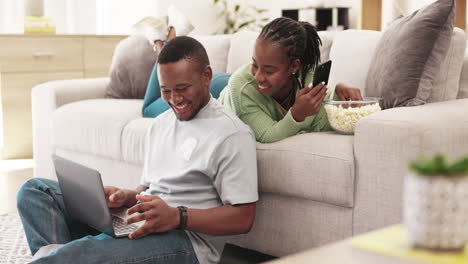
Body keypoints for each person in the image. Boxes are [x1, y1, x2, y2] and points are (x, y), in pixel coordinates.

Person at [17, 36, 258, 264]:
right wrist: (128, 196)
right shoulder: (161, 124)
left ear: (206, 76)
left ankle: (68, 255)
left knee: (78, 254)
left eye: (183, 88)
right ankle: (69, 256)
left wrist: (177, 216)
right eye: (166, 90)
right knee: (36, 191)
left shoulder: (232, 134)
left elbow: (243, 218)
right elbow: (150, 187)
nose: (175, 99)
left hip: (186, 240)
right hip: (141, 221)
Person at [218, 17, 363, 143]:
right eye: (255, 64)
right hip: (219, 89)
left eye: (269, 71)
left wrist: (339, 95)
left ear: (294, 66)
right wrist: (296, 114)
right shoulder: (241, 88)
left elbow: (320, 123)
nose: (259, 76)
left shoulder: (306, 77)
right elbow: (267, 135)